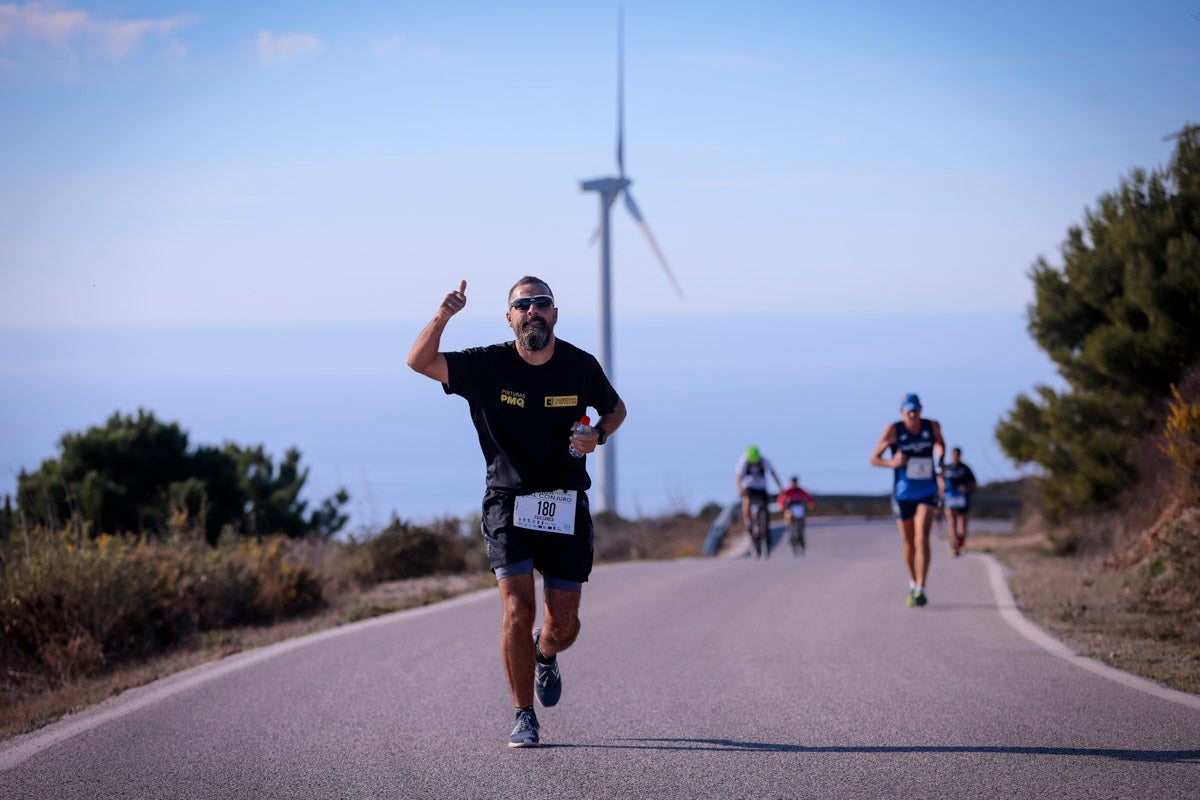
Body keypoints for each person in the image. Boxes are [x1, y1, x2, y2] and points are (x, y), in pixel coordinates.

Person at [406, 276, 627, 748]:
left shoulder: (579, 365)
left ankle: (545, 654)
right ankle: (523, 715)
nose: (533, 311)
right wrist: (443, 315)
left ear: (554, 314)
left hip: (565, 504)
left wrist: (599, 436)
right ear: (509, 318)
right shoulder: (488, 364)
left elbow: (616, 409)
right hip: (507, 503)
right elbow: (418, 361)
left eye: (541, 303)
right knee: (517, 610)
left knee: (563, 625)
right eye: (522, 305)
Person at [869, 393, 946, 607]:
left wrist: (940, 458)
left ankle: (921, 587)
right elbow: (873, 459)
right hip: (903, 493)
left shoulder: (932, 426)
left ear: (921, 410)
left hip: (927, 490)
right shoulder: (893, 430)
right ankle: (912, 581)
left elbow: (940, 444)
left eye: (916, 410)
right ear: (902, 411)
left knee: (922, 537)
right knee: (909, 542)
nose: (913, 414)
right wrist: (892, 463)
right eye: (909, 410)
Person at [734, 446, 784, 558]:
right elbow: (738, 477)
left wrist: (780, 487)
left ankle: (766, 525)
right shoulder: (744, 461)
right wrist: (739, 489)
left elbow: (773, 473)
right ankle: (748, 522)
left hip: (761, 487)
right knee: (746, 502)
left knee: (765, 506)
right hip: (749, 487)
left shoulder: (764, 460)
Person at [943, 447, 978, 557]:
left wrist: (966, 488)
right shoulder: (947, 468)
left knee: (962, 524)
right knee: (951, 524)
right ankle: (954, 548)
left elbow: (974, 484)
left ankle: (962, 544)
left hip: (963, 499)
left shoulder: (965, 469)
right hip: (949, 499)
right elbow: (939, 481)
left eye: (957, 455)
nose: (955, 457)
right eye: (953, 455)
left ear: (960, 456)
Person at [777, 475, 815, 555]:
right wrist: (781, 506)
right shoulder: (787, 491)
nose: (794, 484)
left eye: (795, 482)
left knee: (802, 522)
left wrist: (811, 504)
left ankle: (801, 535)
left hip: (799, 509)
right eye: (792, 482)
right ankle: (790, 527)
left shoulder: (800, 490)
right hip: (790, 509)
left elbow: (808, 498)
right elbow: (781, 499)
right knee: (788, 516)